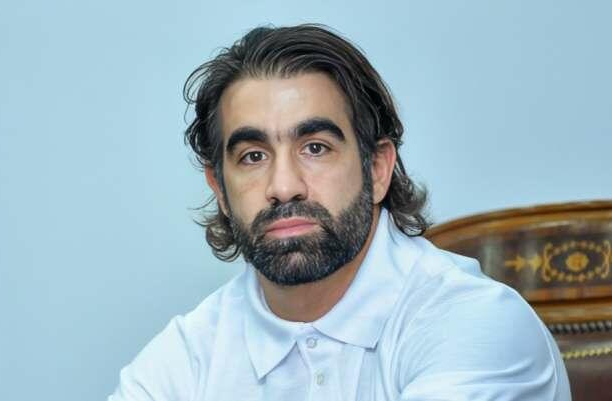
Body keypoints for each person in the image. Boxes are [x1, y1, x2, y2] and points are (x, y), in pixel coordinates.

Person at [108, 24, 570, 401]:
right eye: (253, 156)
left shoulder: (475, 322)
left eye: (315, 147)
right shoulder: (187, 356)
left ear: (377, 169)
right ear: (220, 191)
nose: (283, 186)